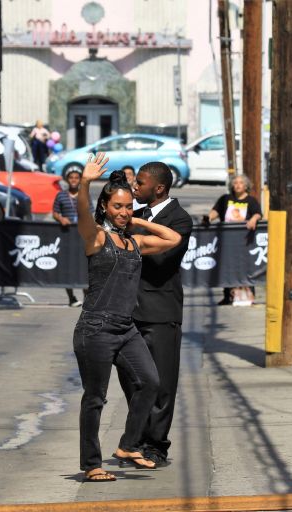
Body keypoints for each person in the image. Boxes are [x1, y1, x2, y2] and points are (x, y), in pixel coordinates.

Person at [73, 152, 181, 482]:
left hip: (126, 328)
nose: (123, 212)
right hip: (95, 328)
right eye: (117, 207)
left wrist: (139, 221)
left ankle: (128, 445)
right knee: (95, 398)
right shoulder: (97, 238)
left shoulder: (135, 242)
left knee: (150, 382)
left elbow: (173, 238)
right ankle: (92, 465)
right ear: (105, 208)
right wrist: (86, 182)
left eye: (128, 207)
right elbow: (82, 213)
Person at [116, 161, 192, 467]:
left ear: (159, 188)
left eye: (140, 183)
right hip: (129, 311)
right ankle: (135, 441)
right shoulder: (135, 216)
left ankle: (156, 446)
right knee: (132, 381)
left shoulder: (179, 219)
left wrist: (134, 237)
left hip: (160, 312)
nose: (135, 187)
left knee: (161, 384)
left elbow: (161, 259)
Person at [206, 174, 262, 305]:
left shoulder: (251, 201)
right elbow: (215, 211)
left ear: (246, 186)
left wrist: (253, 219)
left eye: (241, 183)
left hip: (245, 241)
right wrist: (208, 218)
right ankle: (227, 296)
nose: (237, 185)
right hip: (226, 241)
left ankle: (249, 296)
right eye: (235, 183)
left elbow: (258, 213)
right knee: (227, 268)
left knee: (246, 267)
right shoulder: (225, 199)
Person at [52, 168, 91, 307]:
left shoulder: (85, 195)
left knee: (84, 268)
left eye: (76, 177)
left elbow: (91, 213)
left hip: (82, 238)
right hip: (67, 237)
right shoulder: (61, 195)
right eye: (71, 177)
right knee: (67, 268)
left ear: (80, 180)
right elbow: (55, 212)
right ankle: (71, 298)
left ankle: (87, 299)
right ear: (67, 180)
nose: (74, 180)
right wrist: (61, 218)